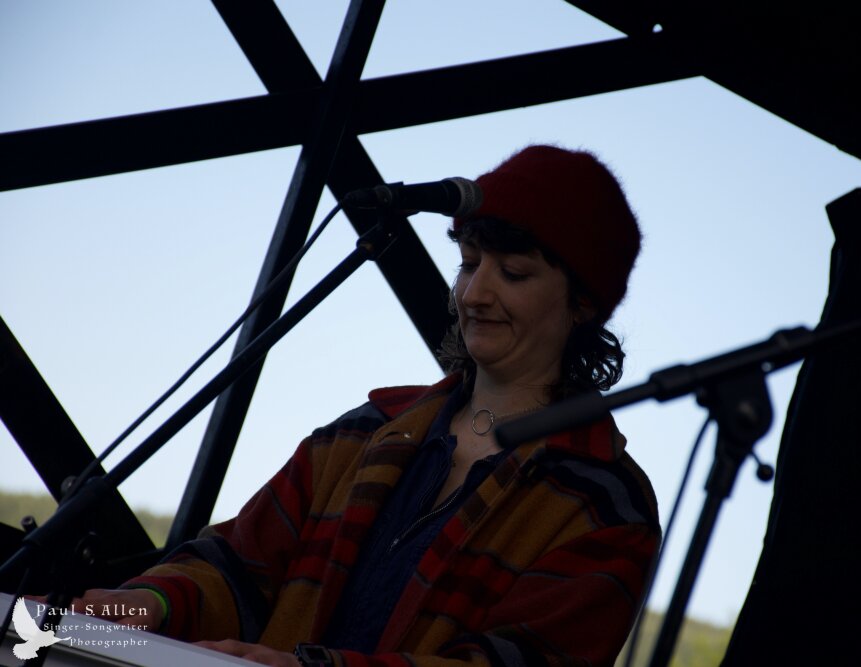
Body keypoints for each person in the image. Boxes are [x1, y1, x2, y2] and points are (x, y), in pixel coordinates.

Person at [68, 145, 660, 666]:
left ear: (583, 303)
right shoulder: (363, 431)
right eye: (469, 262)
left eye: (513, 272)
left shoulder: (605, 505)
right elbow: (237, 566)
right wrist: (144, 603)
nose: (475, 293)